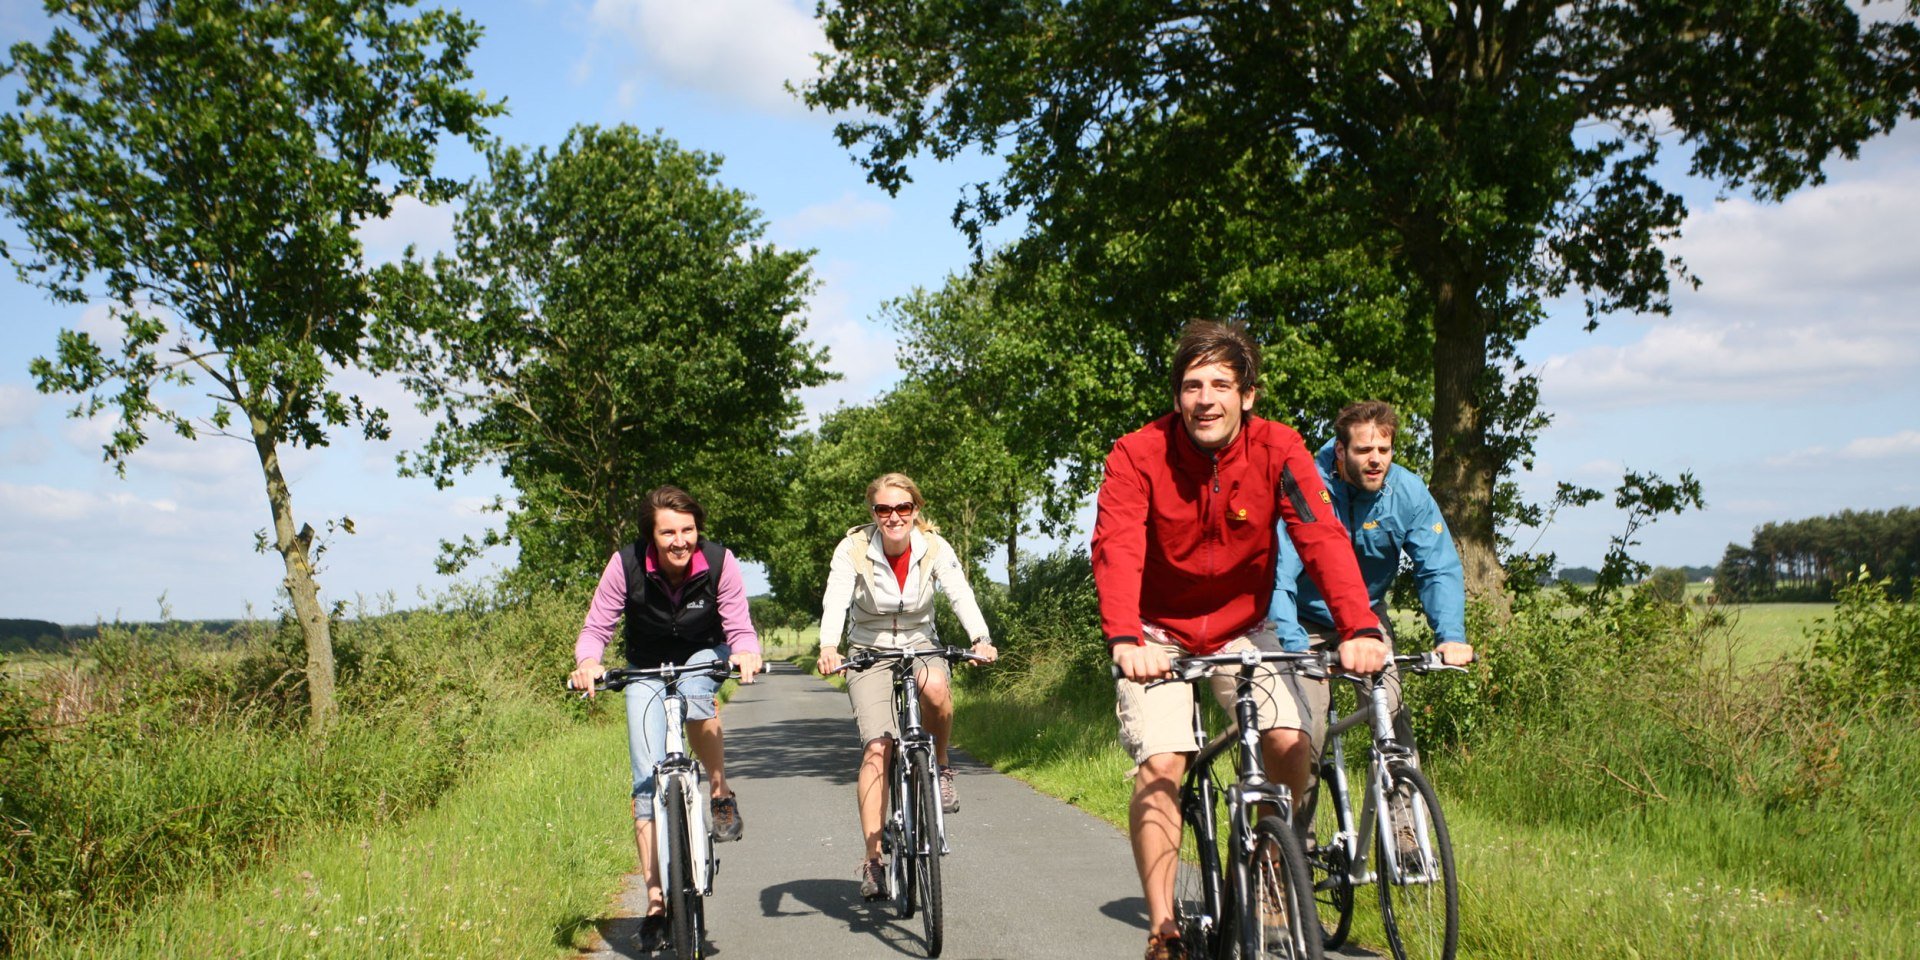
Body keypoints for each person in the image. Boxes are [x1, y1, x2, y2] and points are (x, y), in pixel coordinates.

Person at [1092, 320, 1388, 960]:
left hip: (1241, 629)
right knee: (1164, 763)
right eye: (1192, 385)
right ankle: (1164, 926)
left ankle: (1273, 866)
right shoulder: (1136, 454)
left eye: (1221, 384)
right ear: (1177, 397)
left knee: (1289, 741)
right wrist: (1124, 638)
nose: (1206, 398)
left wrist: (1359, 625)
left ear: (1246, 394)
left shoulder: (1279, 449)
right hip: (1156, 634)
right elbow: (1116, 548)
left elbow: (1322, 537)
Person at [1268, 401, 1475, 844]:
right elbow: (1278, 574)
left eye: (1384, 448)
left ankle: (1404, 832)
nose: (1376, 458)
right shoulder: (1308, 487)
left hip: (1363, 618)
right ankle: (1293, 849)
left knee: (1391, 706)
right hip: (1302, 621)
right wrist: (1291, 643)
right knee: (1306, 728)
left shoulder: (1407, 492)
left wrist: (1450, 636)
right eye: (1364, 450)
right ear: (1340, 453)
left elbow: (1437, 568)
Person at [569, 485, 764, 951]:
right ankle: (656, 905)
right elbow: (598, 626)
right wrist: (588, 662)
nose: (680, 541)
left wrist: (747, 653)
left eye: (688, 530)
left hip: (703, 651)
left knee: (697, 693)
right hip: (647, 665)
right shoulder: (626, 564)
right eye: (669, 532)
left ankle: (718, 790)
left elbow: (738, 623)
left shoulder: (719, 562)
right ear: (651, 537)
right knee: (643, 779)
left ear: (698, 529)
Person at [814, 472, 999, 902]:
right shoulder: (853, 548)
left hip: (920, 644)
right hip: (869, 649)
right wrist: (828, 645)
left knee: (936, 689)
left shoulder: (934, 546)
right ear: (873, 513)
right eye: (883, 509)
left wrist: (981, 638)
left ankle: (941, 763)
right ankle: (873, 860)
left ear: (915, 509)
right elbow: (836, 597)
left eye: (902, 508)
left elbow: (959, 592)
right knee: (878, 746)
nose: (893, 517)